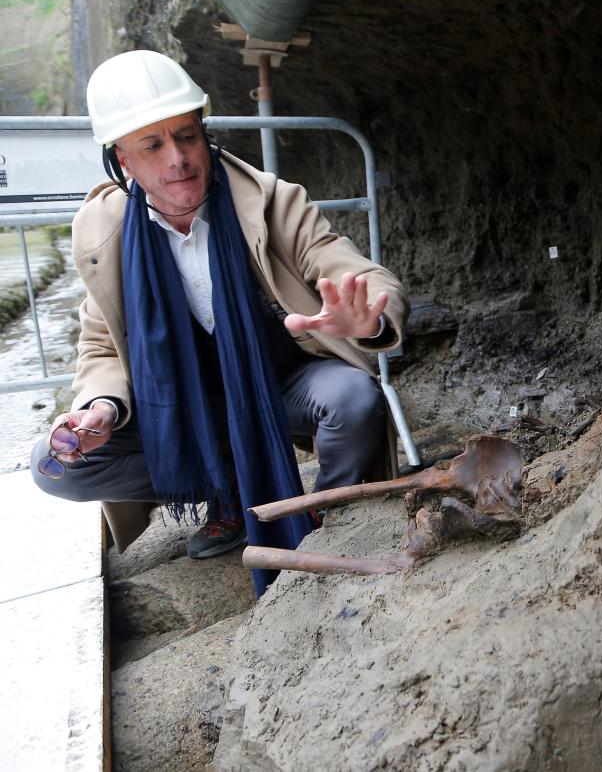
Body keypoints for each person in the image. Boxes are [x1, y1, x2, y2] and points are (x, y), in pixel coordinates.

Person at [30, 50, 408, 595]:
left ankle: (332, 517)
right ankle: (229, 486)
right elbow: (100, 347)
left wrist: (366, 316)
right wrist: (102, 407)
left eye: (186, 136)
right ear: (123, 160)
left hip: (280, 385)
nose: (178, 158)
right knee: (54, 464)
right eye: (153, 145)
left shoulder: (271, 201)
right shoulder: (103, 235)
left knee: (353, 398)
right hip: (184, 408)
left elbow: (356, 272)